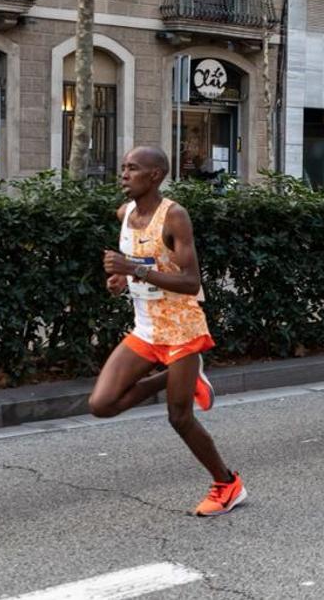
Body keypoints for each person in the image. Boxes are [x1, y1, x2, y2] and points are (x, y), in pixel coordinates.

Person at [94, 146, 242, 516]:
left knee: (179, 418)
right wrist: (119, 280)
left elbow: (191, 283)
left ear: (155, 175)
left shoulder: (174, 217)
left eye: (132, 169)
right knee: (102, 404)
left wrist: (132, 270)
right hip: (146, 328)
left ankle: (227, 484)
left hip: (181, 329)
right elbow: (132, 267)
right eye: (123, 167)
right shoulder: (125, 213)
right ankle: (180, 377)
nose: (123, 174)